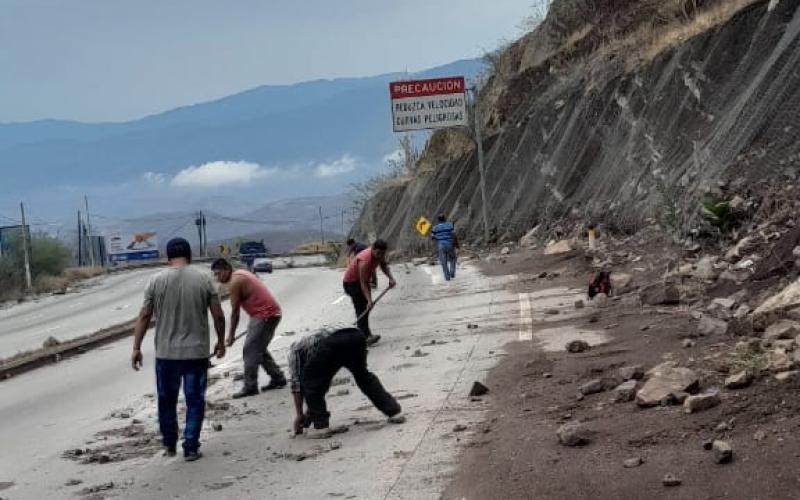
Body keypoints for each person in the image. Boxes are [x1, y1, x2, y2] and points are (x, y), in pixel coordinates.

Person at [131, 238, 226, 462]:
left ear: (167, 257)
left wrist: (136, 347)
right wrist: (221, 341)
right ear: (190, 255)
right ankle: (191, 446)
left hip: (166, 353)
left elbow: (144, 315)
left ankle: (169, 444)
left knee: (167, 399)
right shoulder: (204, 278)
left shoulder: (155, 280)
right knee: (194, 400)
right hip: (196, 353)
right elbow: (218, 315)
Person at [288, 327, 405, 438]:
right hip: (355, 335)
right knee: (363, 376)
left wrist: (300, 415)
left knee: (310, 382)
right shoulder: (311, 347)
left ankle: (320, 426)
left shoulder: (294, 351)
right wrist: (310, 411)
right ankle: (394, 412)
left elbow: (297, 385)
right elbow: (323, 381)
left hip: (332, 342)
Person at [211, 258, 287, 398]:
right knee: (258, 349)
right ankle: (278, 378)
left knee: (250, 349)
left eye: (219, 273)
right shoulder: (240, 274)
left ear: (227, 269)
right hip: (268, 314)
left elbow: (235, 313)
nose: (217, 277)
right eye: (215, 275)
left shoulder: (235, 282)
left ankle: (250, 386)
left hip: (265, 315)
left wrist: (230, 336)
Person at [342, 239, 396, 345]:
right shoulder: (365, 259)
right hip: (351, 283)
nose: (380, 256)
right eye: (378, 253)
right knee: (362, 307)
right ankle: (364, 337)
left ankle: (364, 335)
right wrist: (369, 300)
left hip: (360, 281)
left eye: (382, 254)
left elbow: (384, 266)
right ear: (373, 248)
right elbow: (363, 282)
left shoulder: (379, 255)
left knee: (366, 308)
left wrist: (391, 278)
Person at [430, 214, 458, 281]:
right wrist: (455, 243)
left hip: (441, 245)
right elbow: (453, 234)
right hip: (449, 244)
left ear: (438, 220)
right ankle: (452, 271)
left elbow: (432, 236)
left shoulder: (435, 228)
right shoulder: (449, 225)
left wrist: (436, 238)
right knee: (453, 258)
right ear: (445, 219)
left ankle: (447, 278)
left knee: (444, 262)